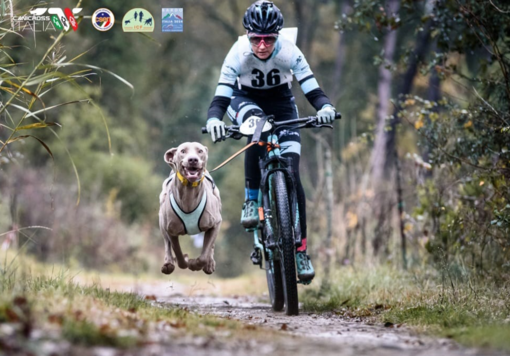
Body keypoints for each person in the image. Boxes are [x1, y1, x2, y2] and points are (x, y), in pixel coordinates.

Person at [205, 0, 337, 282]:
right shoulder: (237, 53)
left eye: (269, 39)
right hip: (244, 101)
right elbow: (221, 97)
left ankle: (300, 251)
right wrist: (214, 120)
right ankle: (251, 201)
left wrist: (325, 108)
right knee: (258, 130)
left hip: (281, 103)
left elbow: (312, 89)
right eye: (256, 38)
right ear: (247, 36)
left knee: (293, 172)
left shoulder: (290, 50)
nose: (262, 45)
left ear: (278, 35)